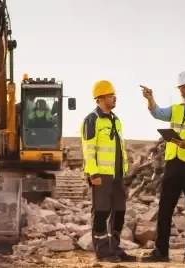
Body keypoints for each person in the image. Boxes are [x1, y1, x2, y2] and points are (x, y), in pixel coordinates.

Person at [140, 71, 185, 263]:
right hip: (173, 163)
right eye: (180, 87)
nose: (182, 90)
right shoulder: (175, 109)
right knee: (165, 207)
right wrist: (150, 99)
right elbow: (157, 113)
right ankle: (161, 252)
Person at [79, 80, 135, 263]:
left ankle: (115, 249)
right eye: (111, 95)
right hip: (101, 175)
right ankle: (103, 252)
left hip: (117, 175)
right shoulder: (91, 120)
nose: (114, 98)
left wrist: (125, 172)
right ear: (100, 99)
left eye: (114, 95)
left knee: (119, 212)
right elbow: (88, 149)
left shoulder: (115, 120)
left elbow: (120, 148)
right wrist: (93, 173)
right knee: (101, 212)